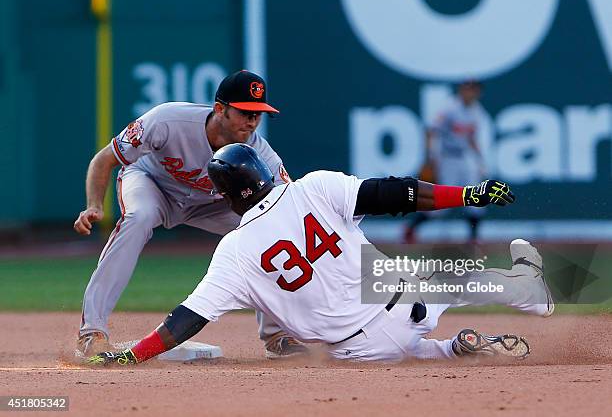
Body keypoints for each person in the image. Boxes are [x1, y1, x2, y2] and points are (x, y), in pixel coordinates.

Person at [87, 144, 554, 365]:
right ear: (263, 171)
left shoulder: (233, 250)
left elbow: (185, 321)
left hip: (358, 351)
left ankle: (453, 350)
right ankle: (530, 293)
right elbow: (397, 194)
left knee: (408, 352)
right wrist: (468, 193)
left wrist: (133, 357)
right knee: (454, 272)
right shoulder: (314, 188)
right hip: (403, 297)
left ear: (227, 197)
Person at [74, 70, 305, 359]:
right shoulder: (168, 121)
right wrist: (94, 205)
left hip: (209, 204)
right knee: (138, 218)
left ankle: (277, 336)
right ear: (219, 109)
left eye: (258, 113)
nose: (252, 121)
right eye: (245, 112)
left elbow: (291, 205)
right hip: (151, 183)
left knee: (264, 232)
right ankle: (91, 332)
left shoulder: (260, 153)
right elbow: (104, 160)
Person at [405, 79, 487, 243]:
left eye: (473, 89)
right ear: (461, 90)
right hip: (447, 158)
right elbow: (430, 130)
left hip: (464, 157)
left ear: (478, 92)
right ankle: (411, 228)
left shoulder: (477, 110)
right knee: (441, 204)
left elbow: (471, 138)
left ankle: (474, 239)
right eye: (467, 88)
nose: (470, 92)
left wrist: (480, 160)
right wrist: (430, 159)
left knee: (477, 197)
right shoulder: (450, 108)